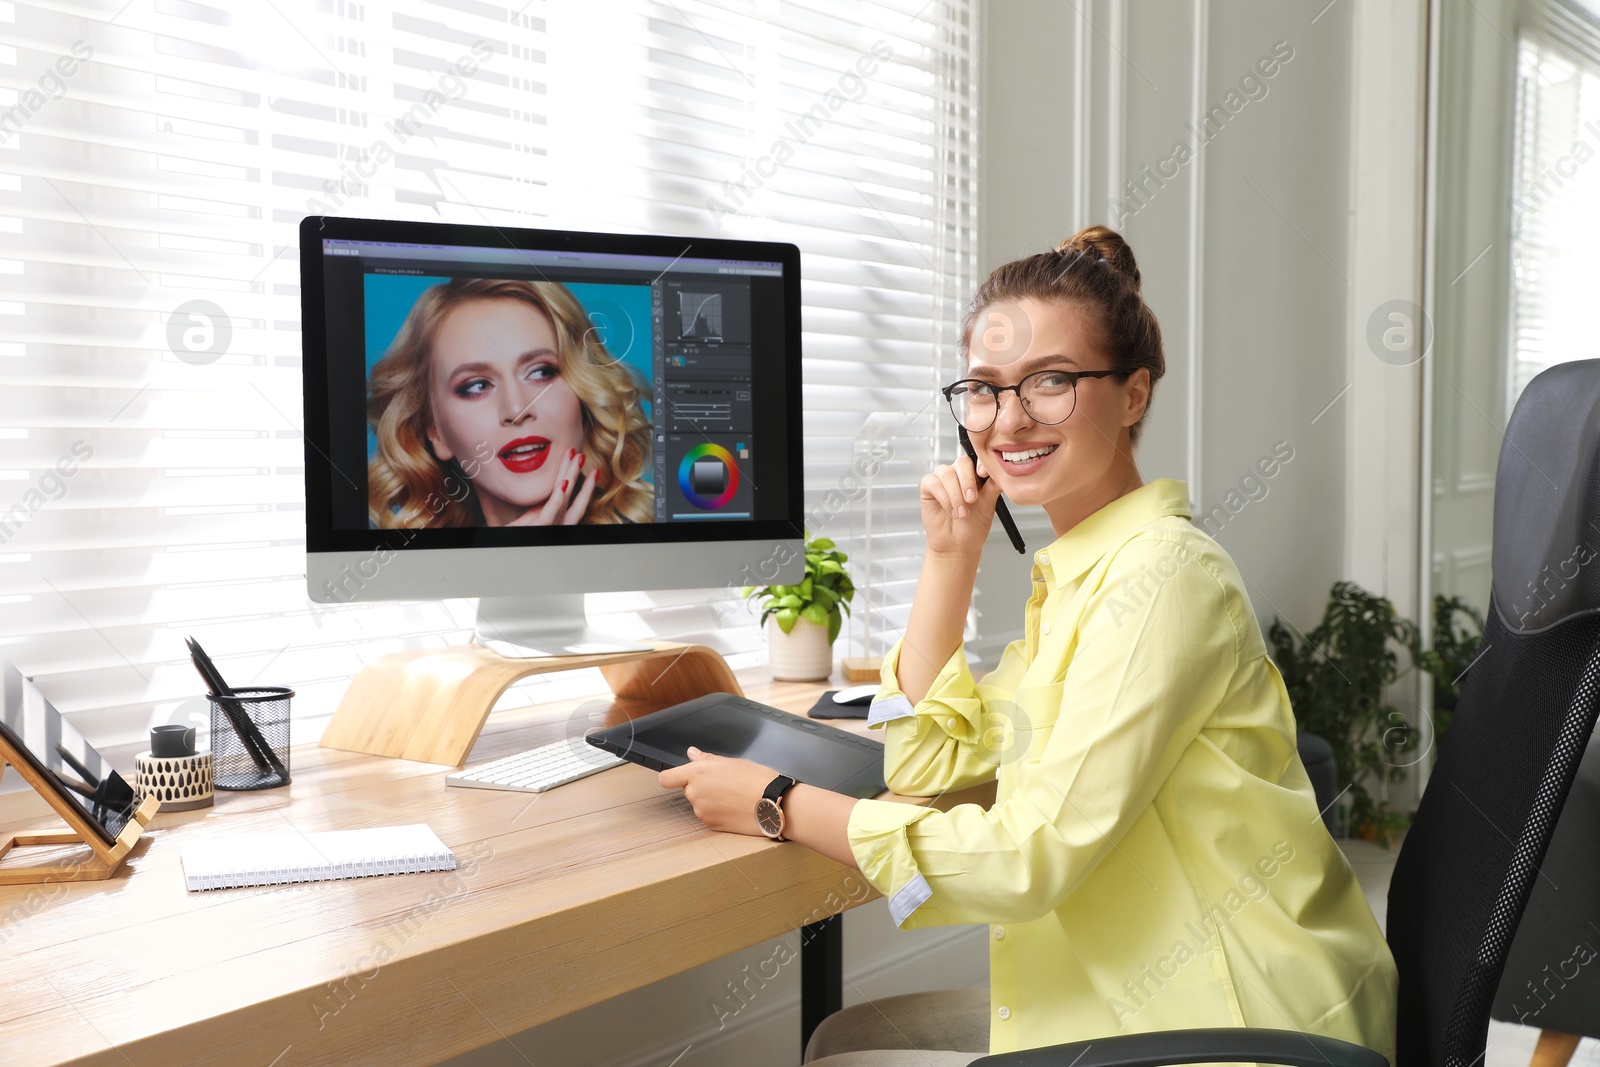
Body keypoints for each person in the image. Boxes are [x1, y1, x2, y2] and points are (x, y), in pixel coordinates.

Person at [658, 226, 1399, 1066]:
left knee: (843, 1053)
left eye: (1051, 382)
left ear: (1133, 394)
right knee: (847, 1038)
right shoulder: (1082, 576)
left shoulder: (1161, 580)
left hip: (1231, 1024)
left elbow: (1024, 861)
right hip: (1114, 994)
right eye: (985, 389)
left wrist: (777, 801)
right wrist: (950, 555)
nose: (1007, 420)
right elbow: (924, 769)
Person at [367, 277, 653, 527]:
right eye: (477, 386)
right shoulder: (418, 580)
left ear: (583, 390)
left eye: (541, 372)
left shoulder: (659, 555)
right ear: (435, 431)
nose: (517, 409)